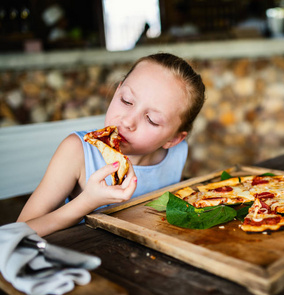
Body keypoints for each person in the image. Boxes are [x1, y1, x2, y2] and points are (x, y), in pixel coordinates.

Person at [17, 53, 206, 237]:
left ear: (173, 140)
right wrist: (88, 202)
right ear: (117, 91)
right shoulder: (76, 151)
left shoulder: (178, 153)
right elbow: (18, 231)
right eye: (126, 101)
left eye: (152, 120)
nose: (128, 122)